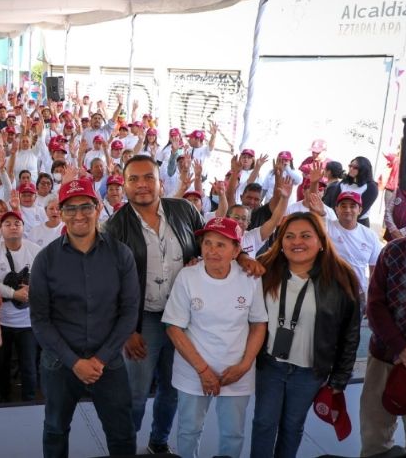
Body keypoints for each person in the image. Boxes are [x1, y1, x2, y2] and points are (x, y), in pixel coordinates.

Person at [103, 155, 263, 453]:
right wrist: (126, 329)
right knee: (136, 393)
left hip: (189, 318)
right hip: (143, 320)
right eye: (134, 179)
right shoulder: (114, 228)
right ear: (123, 186)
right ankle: (125, 447)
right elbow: (108, 286)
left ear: (160, 181)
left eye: (148, 177)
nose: (142, 185)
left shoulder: (184, 210)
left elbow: (216, 240)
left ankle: (159, 442)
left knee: (174, 388)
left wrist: (241, 257)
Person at [30, 177, 140, 457]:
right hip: (59, 363)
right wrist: (74, 362)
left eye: (85, 207)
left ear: (98, 207)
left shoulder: (121, 254)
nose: (78, 215)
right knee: (55, 430)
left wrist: (100, 359)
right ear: (61, 212)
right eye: (70, 208)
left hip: (108, 361)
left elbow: (128, 313)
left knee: (122, 433)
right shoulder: (45, 259)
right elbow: (40, 320)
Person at [250, 212, 361, 458]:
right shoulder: (263, 269)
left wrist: (339, 380)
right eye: (289, 236)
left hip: (310, 372)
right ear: (280, 242)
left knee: (292, 427)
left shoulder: (343, 279)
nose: (296, 241)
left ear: (321, 241)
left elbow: (350, 336)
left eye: (305, 236)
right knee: (263, 423)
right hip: (270, 366)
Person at [162, 217, 268, 458]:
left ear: (236, 250)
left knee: (233, 433)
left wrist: (244, 365)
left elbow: (258, 323)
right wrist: (203, 371)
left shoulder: (250, 278)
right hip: (193, 371)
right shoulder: (188, 277)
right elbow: (173, 328)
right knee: (189, 430)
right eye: (207, 243)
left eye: (221, 244)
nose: (212, 250)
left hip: (237, 371)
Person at [361, 233, 406, 455]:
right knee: (375, 436)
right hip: (383, 358)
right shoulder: (393, 251)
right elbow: (374, 305)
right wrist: (401, 347)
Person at [0, 210, 41, 401]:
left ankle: (30, 400)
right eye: (7, 223)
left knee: (29, 366)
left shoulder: (35, 250)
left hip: (28, 323)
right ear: (1, 229)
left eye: (17, 223)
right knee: (2, 364)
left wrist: (33, 289)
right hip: (3, 322)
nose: (13, 226)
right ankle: (4, 398)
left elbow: (46, 279)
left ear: (23, 227)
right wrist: (13, 293)